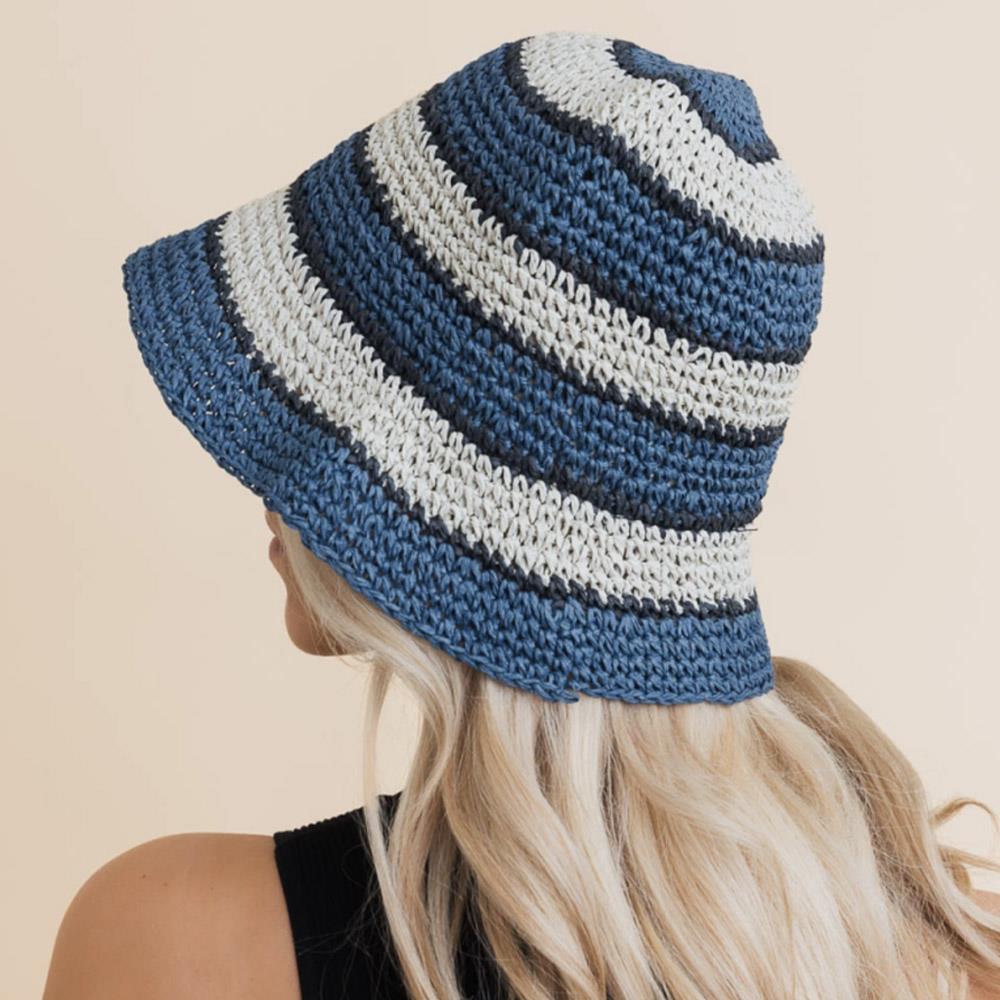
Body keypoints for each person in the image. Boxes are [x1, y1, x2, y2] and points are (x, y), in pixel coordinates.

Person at [43, 30, 1000, 1000]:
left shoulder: (174, 945)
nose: (270, 477)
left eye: (322, 408)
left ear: (451, 503)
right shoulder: (946, 955)